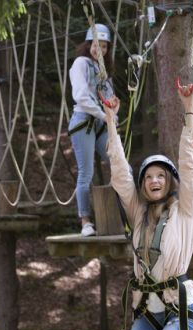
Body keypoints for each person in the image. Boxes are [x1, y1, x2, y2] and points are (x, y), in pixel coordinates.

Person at [102, 83, 193, 330]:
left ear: (169, 181)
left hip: (179, 311)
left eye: (161, 175)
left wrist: (188, 110)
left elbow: (189, 168)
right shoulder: (138, 213)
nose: (154, 180)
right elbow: (120, 174)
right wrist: (110, 120)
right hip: (148, 310)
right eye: (148, 176)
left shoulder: (185, 209)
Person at [69, 23, 113, 237]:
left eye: (104, 47)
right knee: (86, 173)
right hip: (84, 121)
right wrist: (104, 115)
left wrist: (113, 115)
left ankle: (126, 212)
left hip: (101, 122)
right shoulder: (81, 63)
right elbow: (81, 96)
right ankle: (85, 221)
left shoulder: (102, 70)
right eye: (97, 45)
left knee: (120, 165)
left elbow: (110, 98)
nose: (100, 50)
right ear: (89, 45)